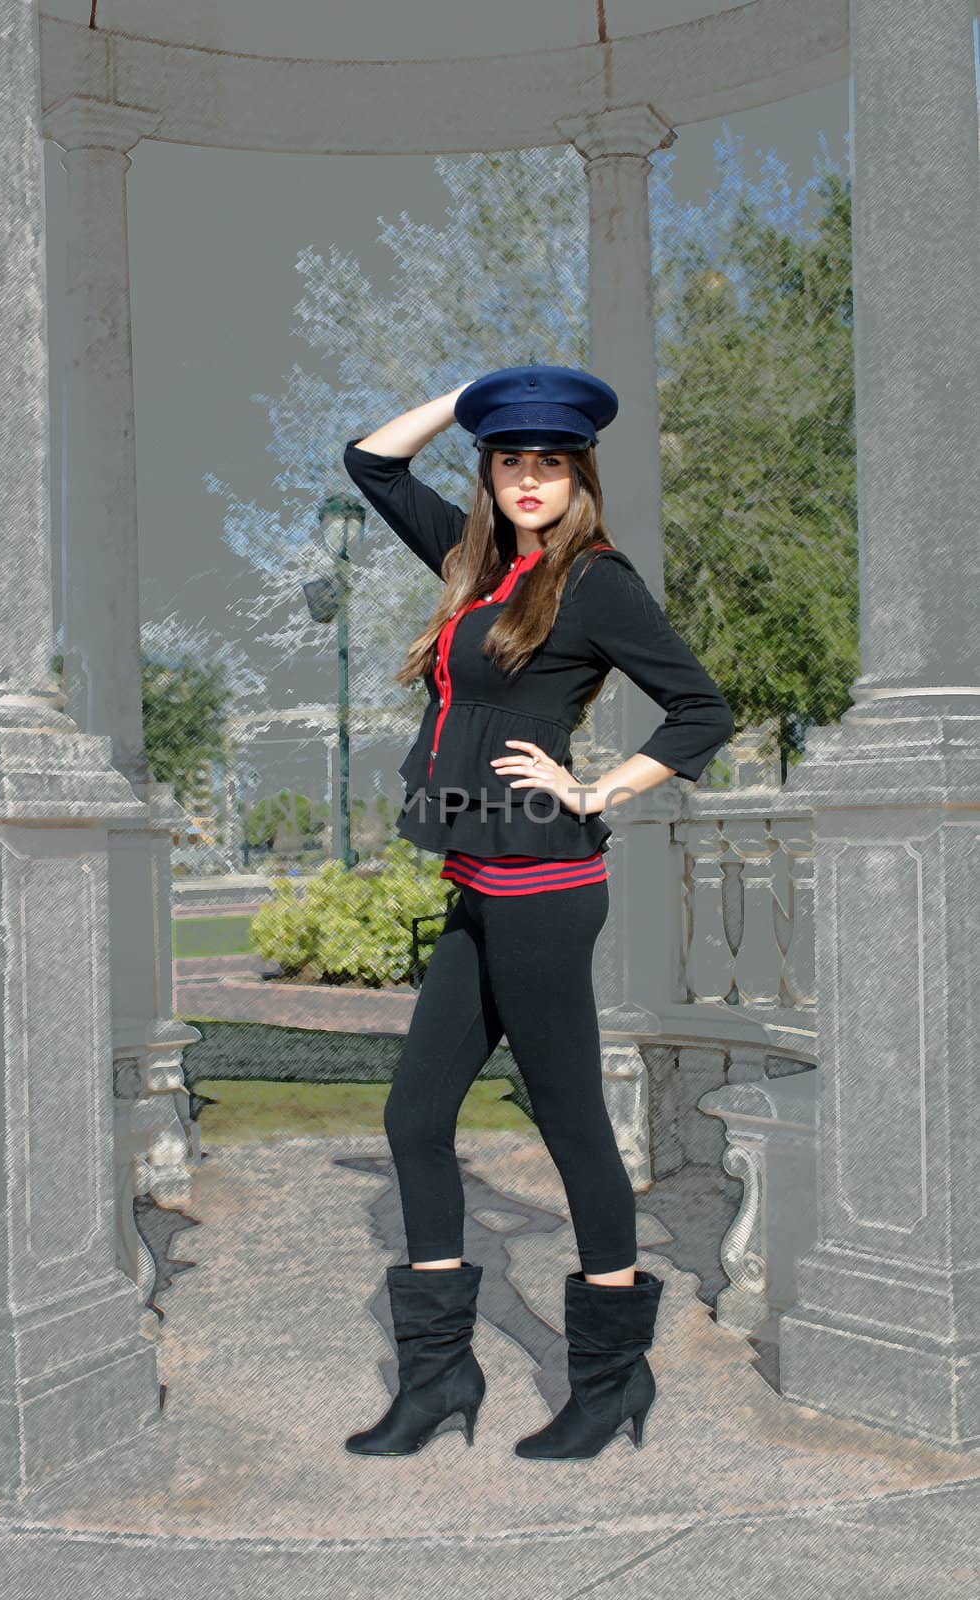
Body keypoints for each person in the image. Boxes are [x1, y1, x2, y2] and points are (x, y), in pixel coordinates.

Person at [339, 365, 735, 1461]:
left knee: (567, 1128)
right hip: (475, 881)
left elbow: (701, 707)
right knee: (414, 1120)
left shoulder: (594, 582)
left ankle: (608, 1383)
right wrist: (472, 389)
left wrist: (598, 788)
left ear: (576, 477)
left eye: (548, 462)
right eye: (509, 459)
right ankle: (438, 1379)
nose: (527, 478)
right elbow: (370, 461)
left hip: (547, 893)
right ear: (490, 471)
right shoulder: (473, 568)